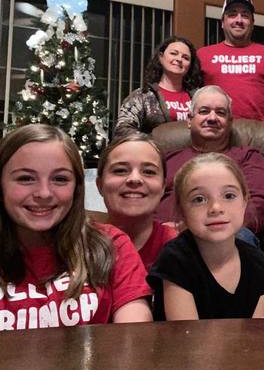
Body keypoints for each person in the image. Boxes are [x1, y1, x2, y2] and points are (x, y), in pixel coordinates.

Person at [0, 125, 152, 330]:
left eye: (60, 179)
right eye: (25, 178)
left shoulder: (112, 244)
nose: (44, 193)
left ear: (76, 187)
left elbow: (134, 338)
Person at [148, 153, 264, 320]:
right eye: (199, 199)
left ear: (244, 202)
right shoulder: (175, 258)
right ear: (182, 210)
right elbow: (186, 332)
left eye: (229, 196)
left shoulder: (259, 262)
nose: (216, 208)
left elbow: (256, 330)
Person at [156, 86, 264, 245]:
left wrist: (194, 227)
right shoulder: (167, 160)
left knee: (240, 235)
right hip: (165, 240)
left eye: (220, 112)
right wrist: (161, 230)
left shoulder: (249, 157)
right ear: (189, 120)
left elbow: (258, 207)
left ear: (230, 122)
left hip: (228, 237)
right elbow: (147, 201)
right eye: (204, 111)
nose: (212, 118)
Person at [197, 0, 264, 121]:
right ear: (222, 22)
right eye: (232, 14)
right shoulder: (203, 55)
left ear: (252, 24)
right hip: (215, 127)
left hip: (259, 131)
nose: (239, 20)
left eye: (245, 15)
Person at [97, 133, 177, 271]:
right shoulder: (77, 246)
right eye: (120, 170)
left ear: (163, 187)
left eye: (149, 172)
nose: (135, 179)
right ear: (100, 185)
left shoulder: (181, 248)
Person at [114, 36, 203, 136]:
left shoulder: (199, 97)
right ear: (161, 57)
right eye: (173, 53)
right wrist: (150, 141)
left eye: (185, 57)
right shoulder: (143, 95)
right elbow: (123, 128)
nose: (179, 59)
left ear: (190, 65)